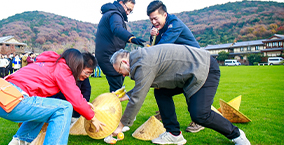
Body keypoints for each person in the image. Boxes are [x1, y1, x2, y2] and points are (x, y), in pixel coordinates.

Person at [110, 46, 251, 145]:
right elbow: (142, 86)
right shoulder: (140, 58)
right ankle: (174, 134)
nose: (122, 75)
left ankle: (237, 135)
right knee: (161, 92)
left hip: (205, 69)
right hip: (188, 75)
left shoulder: (143, 62)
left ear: (124, 62)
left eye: (119, 71)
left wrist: (121, 125)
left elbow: (138, 97)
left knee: (200, 115)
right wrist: (122, 97)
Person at [0, 49, 105, 145]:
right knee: (65, 108)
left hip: (1, 96)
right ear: (75, 64)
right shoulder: (63, 69)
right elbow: (75, 97)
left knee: (46, 111)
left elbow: (74, 97)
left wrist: (84, 104)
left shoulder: (49, 65)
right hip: (14, 98)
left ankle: (19, 141)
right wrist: (92, 118)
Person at [147, 0, 204, 133]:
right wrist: (152, 37)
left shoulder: (175, 25)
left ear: (165, 15)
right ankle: (165, 113)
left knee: (190, 89)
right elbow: (155, 46)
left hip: (194, 62)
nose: (154, 22)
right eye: (151, 20)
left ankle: (199, 120)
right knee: (161, 89)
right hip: (179, 62)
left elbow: (162, 47)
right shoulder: (161, 28)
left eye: (156, 18)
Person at [95, 0, 146, 93]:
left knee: (116, 89)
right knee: (117, 90)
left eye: (131, 11)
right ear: (121, 3)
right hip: (110, 57)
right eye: (128, 9)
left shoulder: (111, 13)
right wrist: (131, 38)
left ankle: (112, 105)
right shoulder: (115, 14)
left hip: (108, 55)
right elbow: (117, 28)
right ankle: (112, 106)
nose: (128, 12)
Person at [50, 52, 97, 124]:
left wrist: (84, 106)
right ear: (79, 66)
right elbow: (72, 94)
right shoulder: (65, 75)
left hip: (74, 109)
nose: (87, 76)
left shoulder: (84, 78)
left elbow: (86, 91)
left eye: (90, 74)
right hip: (57, 105)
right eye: (87, 73)